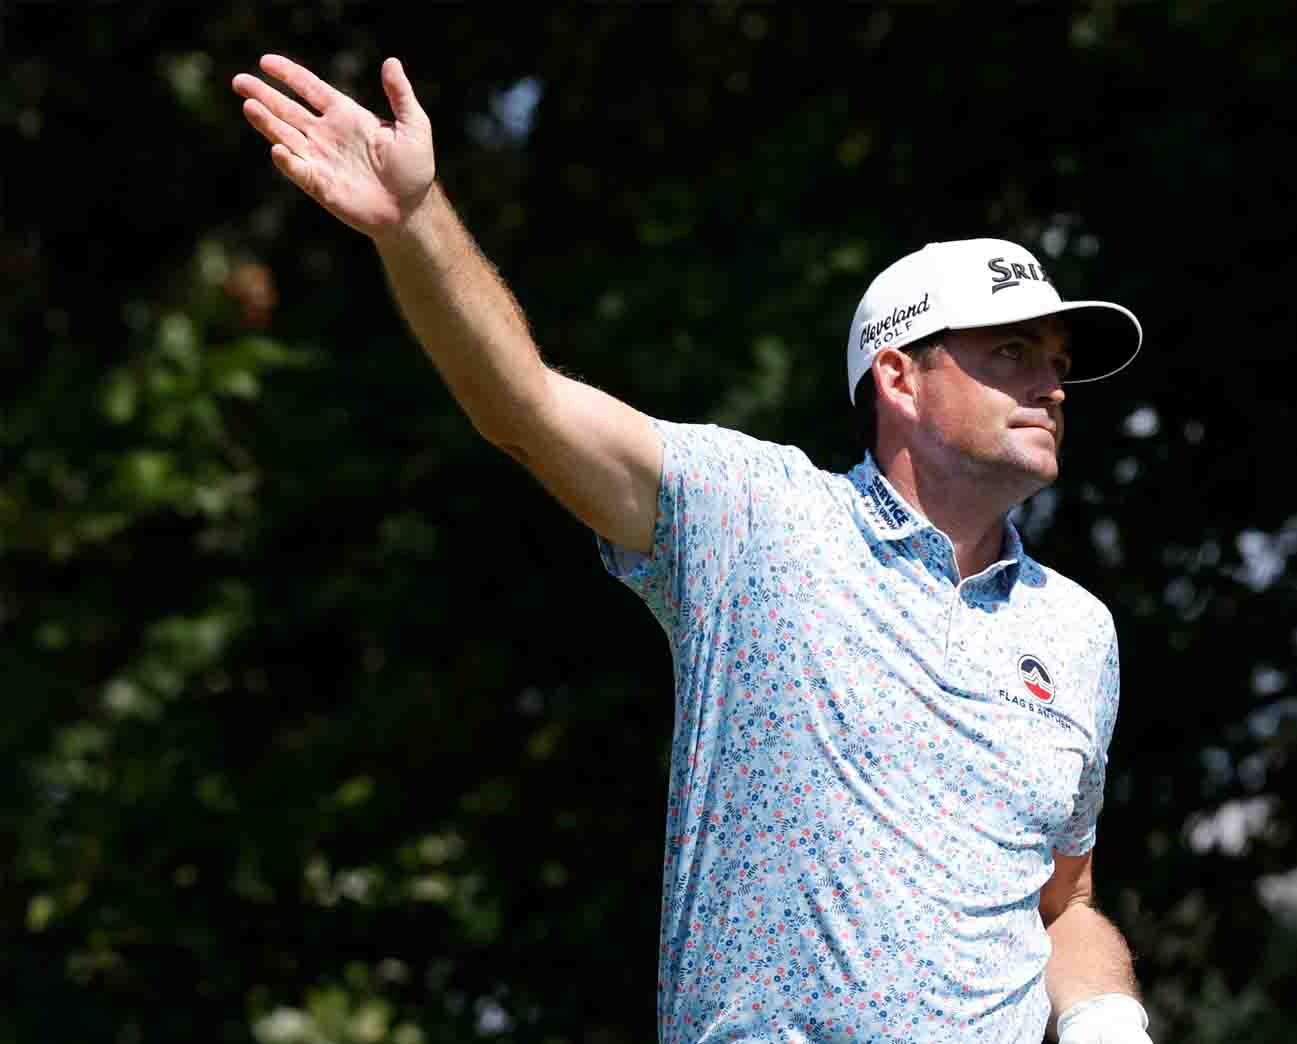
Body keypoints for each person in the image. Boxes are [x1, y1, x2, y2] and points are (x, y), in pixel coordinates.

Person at [231, 53, 1153, 1044]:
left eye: (1057, 363)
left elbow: (1062, 902)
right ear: (899, 376)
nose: (1048, 386)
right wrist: (416, 224)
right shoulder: (754, 516)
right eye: (1008, 354)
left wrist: (1107, 1020)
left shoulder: (1074, 631)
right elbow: (527, 408)